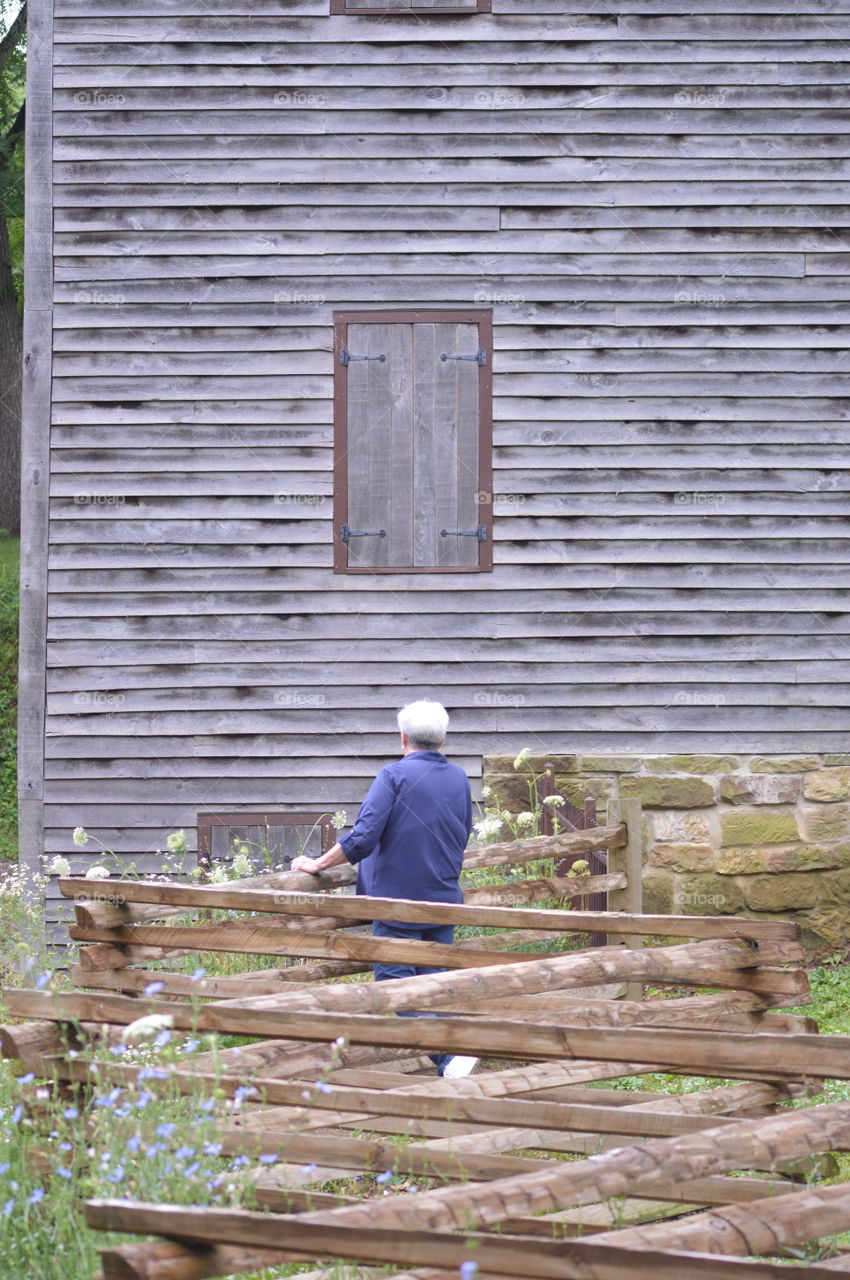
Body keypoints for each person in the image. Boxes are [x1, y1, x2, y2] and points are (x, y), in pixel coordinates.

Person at [291, 699, 478, 1078]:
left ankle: (449, 1058)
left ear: (403, 737)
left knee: (396, 984)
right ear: (443, 739)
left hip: (396, 902)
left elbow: (363, 838)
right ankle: (454, 1055)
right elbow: (462, 833)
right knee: (432, 985)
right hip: (443, 897)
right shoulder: (459, 778)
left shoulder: (393, 776)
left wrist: (319, 864)